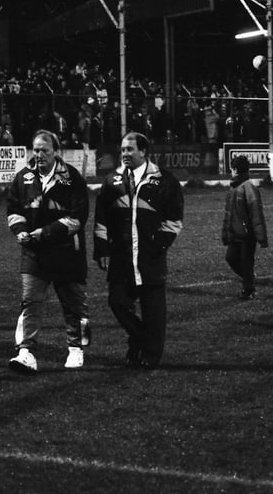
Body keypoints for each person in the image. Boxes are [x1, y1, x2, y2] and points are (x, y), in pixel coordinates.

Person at [93, 131, 184, 369]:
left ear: (143, 151)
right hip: (121, 259)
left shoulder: (165, 180)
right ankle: (141, 338)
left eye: (129, 149)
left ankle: (149, 358)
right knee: (117, 302)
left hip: (150, 260)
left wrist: (156, 245)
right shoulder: (112, 180)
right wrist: (102, 248)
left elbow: (174, 220)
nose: (124, 154)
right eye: (122, 149)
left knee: (154, 313)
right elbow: (101, 217)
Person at [6, 130, 90, 373]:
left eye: (44, 150)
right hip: (34, 254)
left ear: (57, 152)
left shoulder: (72, 178)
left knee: (74, 306)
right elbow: (13, 210)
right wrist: (20, 230)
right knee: (30, 303)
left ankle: (76, 349)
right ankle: (25, 353)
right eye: (36, 149)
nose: (39, 154)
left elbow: (78, 219)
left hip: (67, 254)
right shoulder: (23, 178)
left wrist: (45, 232)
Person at [222, 155, 268, 300]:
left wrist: (261, 237)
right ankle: (249, 278)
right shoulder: (233, 188)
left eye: (232, 169)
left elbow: (256, 215)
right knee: (230, 258)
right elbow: (228, 214)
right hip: (235, 234)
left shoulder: (249, 189)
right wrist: (226, 233)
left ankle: (249, 290)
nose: (231, 172)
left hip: (247, 236)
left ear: (235, 170)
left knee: (246, 262)